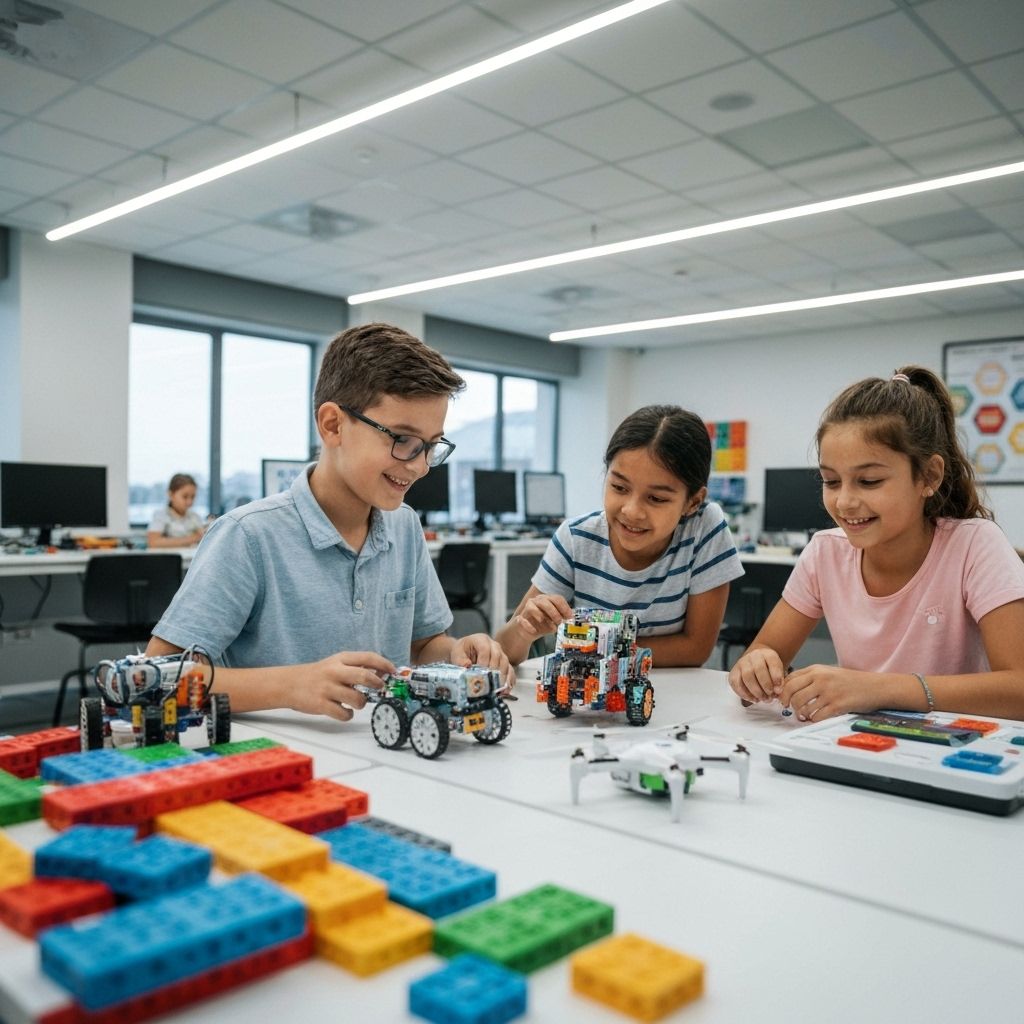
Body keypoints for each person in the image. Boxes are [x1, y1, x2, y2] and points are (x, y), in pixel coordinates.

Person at [145, 322, 513, 722]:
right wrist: (291, 685)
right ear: (333, 424)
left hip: (383, 756)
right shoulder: (249, 536)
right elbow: (156, 679)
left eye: (431, 446)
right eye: (403, 441)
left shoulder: (404, 527)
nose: (421, 466)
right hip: (281, 762)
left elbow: (425, 646)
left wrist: (457, 653)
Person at [729, 366, 1024, 722]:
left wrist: (876, 689)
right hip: (856, 741)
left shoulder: (975, 545)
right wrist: (755, 667)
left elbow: (1018, 690)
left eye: (869, 481)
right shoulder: (825, 551)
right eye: (831, 481)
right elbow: (764, 650)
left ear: (928, 476)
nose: (845, 502)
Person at [496, 404, 744, 667]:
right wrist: (525, 630)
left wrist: (592, 645)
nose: (631, 511)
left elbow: (695, 649)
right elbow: (504, 648)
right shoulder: (576, 538)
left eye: (656, 498)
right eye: (619, 487)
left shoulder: (704, 528)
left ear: (693, 502)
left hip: (672, 694)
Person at [147, 474, 205, 548]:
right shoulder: (161, 516)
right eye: (185, 496)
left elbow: (202, 536)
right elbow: (153, 542)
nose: (189, 502)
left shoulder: (195, 517)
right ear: (171, 495)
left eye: (193, 497)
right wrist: (192, 539)